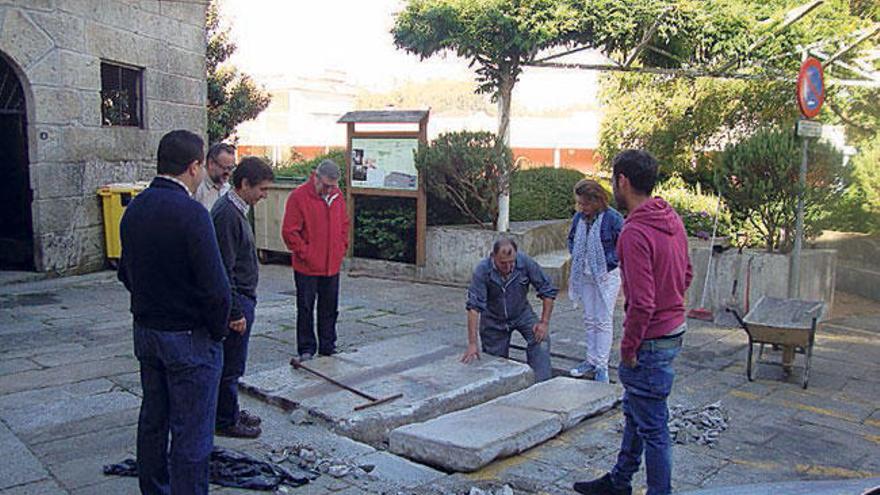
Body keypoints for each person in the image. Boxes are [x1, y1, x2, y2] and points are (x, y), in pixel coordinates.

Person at [118, 130, 231, 495]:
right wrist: (217, 331)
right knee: (192, 431)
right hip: (188, 338)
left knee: (154, 419)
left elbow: (125, 271)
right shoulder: (192, 214)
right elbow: (216, 288)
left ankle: (153, 488)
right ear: (194, 166)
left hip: (147, 331)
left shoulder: (135, 208)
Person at [573, 150, 693, 495]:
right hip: (673, 330)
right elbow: (686, 274)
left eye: (614, 178)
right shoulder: (672, 219)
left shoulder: (634, 232)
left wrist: (628, 349)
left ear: (622, 180)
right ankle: (620, 479)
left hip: (651, 340)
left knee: (654, 427)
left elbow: (641, 302)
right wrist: (671, 307)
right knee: (636, 410)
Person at [211, 156, 274, 439]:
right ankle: (225, 419)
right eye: (261, 189)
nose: (264, 195)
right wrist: (235, 311)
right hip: (237, 302)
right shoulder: (227, 213)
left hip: (245, 297)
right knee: (231, 364)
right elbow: (224, 267)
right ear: (245, 184)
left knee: (235, 362)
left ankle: (230, 410)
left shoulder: (238, 210)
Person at [461, 238, 557, 382]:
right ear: (493, 257)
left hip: (521, 313)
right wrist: (473, 343)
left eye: (511, 262)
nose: (508, 267)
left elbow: (547, 290)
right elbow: (474, 308)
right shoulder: (482, 271)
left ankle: (541, 383)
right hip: (493, 319)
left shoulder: (525, 262)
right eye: (503, 263)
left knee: (541, 340)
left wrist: (544, 322)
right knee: (495, 367)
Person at [281, 159, 349, 361]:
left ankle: (328, 346)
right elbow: (289, 232)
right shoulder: (299, 197)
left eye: (333, 186)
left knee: (330, 308)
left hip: (331, 264)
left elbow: (344, 224)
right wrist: (305, 253)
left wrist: (341, 247)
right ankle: (306, 348)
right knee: (305, 308)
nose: (329, 190)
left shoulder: (337, 196)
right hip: (307, 266)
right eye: (326, 185)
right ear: (316, 177)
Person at [567, 179, 624, 383]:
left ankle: (602, 364)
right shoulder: (579, 219)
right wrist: (577, 254)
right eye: (579, 204)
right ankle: (590, 360)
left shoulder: (612, 219)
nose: (581, 208)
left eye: (585, 204)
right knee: (589, 318)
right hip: (586, 274)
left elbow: (622, 244)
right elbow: (572, 238)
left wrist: (609, 262)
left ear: (596, 201)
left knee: (603, 319)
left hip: (606, 275)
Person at [194, 142, 235, 210]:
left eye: (230, 168)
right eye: (224, 168)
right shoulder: (196, 186)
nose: (228, 173)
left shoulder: (227, 188)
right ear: (211, 163)